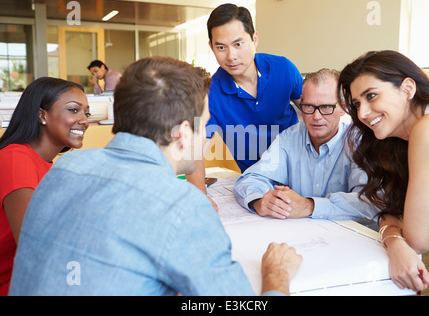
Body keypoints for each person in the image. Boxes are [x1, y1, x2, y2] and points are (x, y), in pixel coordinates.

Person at [9, 56, 302, 296]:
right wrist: (276, 277)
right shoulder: (181, 206)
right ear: (185, 134)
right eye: (205, 127)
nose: (205, 140)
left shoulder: (63, 169)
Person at [338, 50, 429, 292]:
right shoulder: (407, 139)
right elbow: (391, 211)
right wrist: (395, 237)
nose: (362, 113)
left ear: (408, 88)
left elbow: (419, 240)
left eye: (372, 95)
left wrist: (404, 231)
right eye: (357, 104)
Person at [233, 68, 379, 228]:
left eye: (326, 107)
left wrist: (309, 206)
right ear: (301, 102)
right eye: (309, 106)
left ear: (343, 107)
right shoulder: (289, 138)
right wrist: (259, 201)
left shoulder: (360, 142)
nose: (316, 116)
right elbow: (251, 179)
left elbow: (368, 202)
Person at [186, 3, 303, 199]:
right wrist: (200, 197)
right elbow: (194, 152)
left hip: (301, 173)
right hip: (257, 182)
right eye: (221, 47)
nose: (231, 56)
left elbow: (314, 112)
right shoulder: (211, 94)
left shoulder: (283, 68)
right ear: (211, 47)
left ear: (254, 39)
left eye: (238, 44)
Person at [0, 77, 90, 296]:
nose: (84, 120)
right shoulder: (15, 158)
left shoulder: (49, 168)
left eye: (86, 113)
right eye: (73, 110)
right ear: (42, 115)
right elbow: (35, 244)